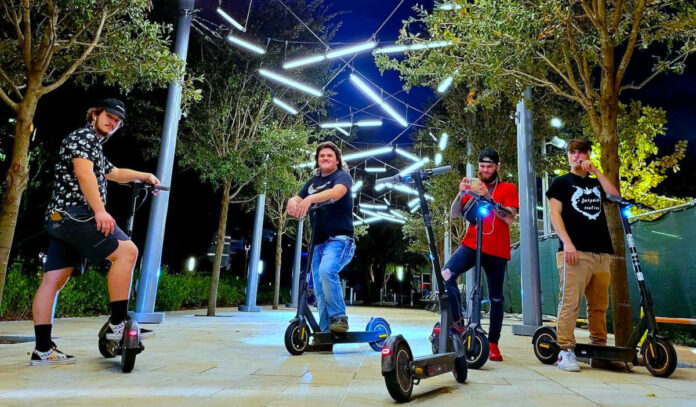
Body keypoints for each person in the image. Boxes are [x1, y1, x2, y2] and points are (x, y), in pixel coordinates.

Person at [30, 98, 160, 366]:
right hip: (75, 215)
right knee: (128, 252)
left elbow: (113, 173)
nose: (113, 122)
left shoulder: (94, 148)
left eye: (118, 121)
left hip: (59, 218)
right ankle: (117, 324)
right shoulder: (83, 137)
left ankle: (43, 350)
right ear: (95, 114)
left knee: (53, 279)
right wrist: (100, 211)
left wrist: (145, 175)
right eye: (109, 116)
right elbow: (84, 174)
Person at [545, 138, 620, 372]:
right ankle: (565, 351)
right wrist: (567, 243)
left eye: (582, 152)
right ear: (568, 156)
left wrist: (596, 170)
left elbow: (615, 196)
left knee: (599, 306)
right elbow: (554, 214)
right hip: (574, 253)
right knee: (570, 303)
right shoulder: (561, 183)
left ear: (588, 154)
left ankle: (599, 350)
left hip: (601, 253)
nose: (577, 156)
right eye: (573, 153)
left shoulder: (597, 183)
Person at [444, 148, 519, 361]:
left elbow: (509, 218)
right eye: (482, 167)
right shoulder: (473, 187)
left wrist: (489, 198)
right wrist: (461, 192)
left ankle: (493, 343)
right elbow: (454, 213)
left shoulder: (507, 188)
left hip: (496, 249)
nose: (485, 170)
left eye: (489, 166)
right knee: (446, 274)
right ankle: (458, 324)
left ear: (497, 166)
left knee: (496, 297)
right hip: (471, 244)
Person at [287, 141, 355, 333]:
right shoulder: (312, 183)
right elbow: (297, 198)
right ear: (317, 161)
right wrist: (292, 202)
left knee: (326, 272)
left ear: (337, 160)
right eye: (322, 156)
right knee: (319, 288)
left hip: (340, 240)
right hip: (317, 243)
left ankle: (339, 317)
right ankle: (325, 333)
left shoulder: (342, 177)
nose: (325, 158)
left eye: (329, 156)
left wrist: (309, 199)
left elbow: (336, 192)